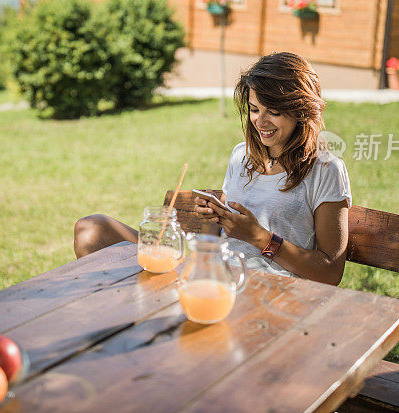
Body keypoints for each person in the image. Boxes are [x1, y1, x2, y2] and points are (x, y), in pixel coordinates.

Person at [73, 52, 351, 285]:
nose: (261, 121)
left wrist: (261, 238)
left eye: (274, 112)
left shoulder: (326, 170)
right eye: (254, 109)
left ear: (301, 110)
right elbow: (214, 239)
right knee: (92, 229)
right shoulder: (241, 156)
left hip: (266, 289)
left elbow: (330, 272)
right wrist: (212, 218)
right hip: (213, 272)